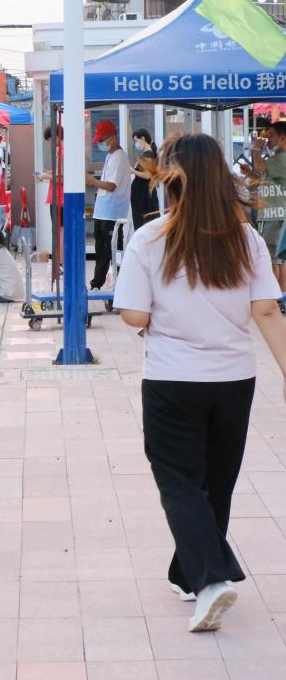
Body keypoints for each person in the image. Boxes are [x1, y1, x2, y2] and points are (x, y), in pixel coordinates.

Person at [114, 133, 286, 633]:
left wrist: (162, 317)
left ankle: (211, 581)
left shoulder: (150, 238)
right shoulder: (246, 238)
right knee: (216, 480)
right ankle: (188, 575)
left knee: (180, 482)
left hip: (173, 378)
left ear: (170, 178)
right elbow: (266, 310)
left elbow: (132, 314)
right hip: (235, 379)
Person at [87, 119, 132, 291]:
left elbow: (111, 185)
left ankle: (110, 283)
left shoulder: (119, 157)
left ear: (112, 138)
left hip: (112, 212)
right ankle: (100, 283)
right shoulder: (110, 155)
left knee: (110, 250)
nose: (100, 144)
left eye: (101, 140)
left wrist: (92, 181)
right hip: (103, 210)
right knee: (101, 250)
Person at [253, 121, 286, 292]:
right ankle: (281, 297)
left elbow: (259, 166)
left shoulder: (281, 158)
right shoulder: (276, 161)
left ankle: (273, 296)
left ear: (283, 138)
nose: (268, 140)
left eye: (271, 135)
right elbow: (267, 180)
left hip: (273, 216)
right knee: (280, 261)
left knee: (271, 261)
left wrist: (256, 149)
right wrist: (250, 174)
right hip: (278, 215)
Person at [130, 129, 161, 231]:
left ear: (143, 138)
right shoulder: (146, 154)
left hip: (144, 197)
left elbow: (147, 175)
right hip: (141, 195)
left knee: (144, 225)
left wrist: (133, 171)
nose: (136, 144)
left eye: (136, 140)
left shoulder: (148, 154)